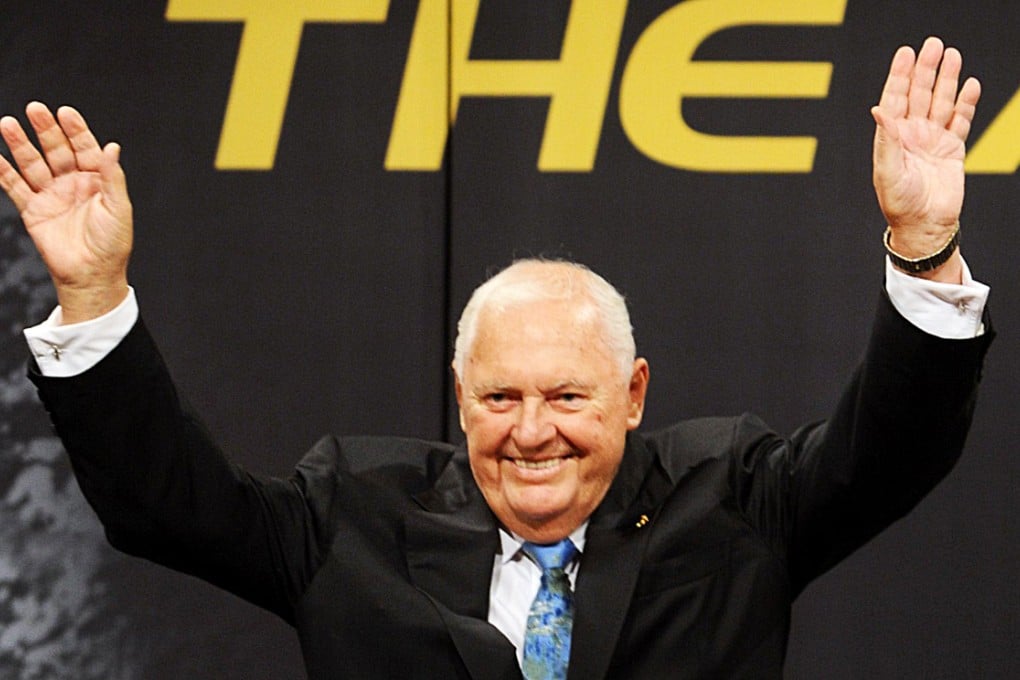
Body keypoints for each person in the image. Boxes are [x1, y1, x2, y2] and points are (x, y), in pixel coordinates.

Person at [0, 36, 994, 679]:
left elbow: (892, 450)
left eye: (567, 395)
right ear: (461, 396)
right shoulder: (350, 517)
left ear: (634, 391)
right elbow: (162, 503)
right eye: (500, 396)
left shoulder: (735, 500)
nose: (531, 430)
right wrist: (92, 293)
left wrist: (924, 246)